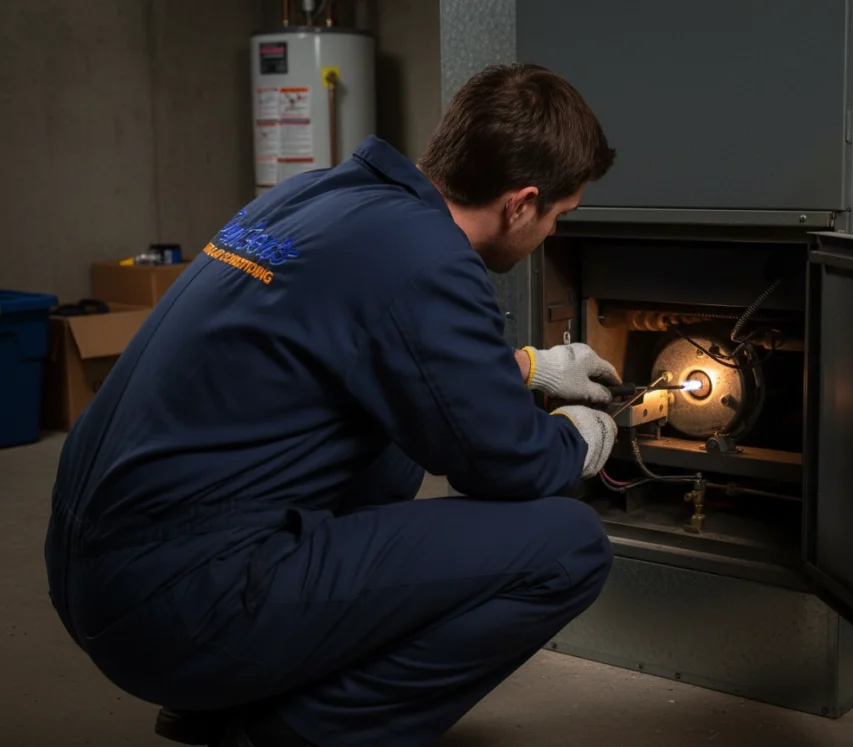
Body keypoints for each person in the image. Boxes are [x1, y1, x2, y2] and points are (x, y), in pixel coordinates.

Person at [44, 63, 621, 747]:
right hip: (179, 605)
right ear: (521, 202)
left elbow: (385, 356)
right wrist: (577, 437)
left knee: (393, 434)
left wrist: (528, 368)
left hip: (91, 569)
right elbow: (508, 467)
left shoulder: (322, 194)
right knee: (569, 547)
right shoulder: (430, 259)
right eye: (559, 216)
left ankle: (228, 695)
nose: (553, 234)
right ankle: (288, 732)